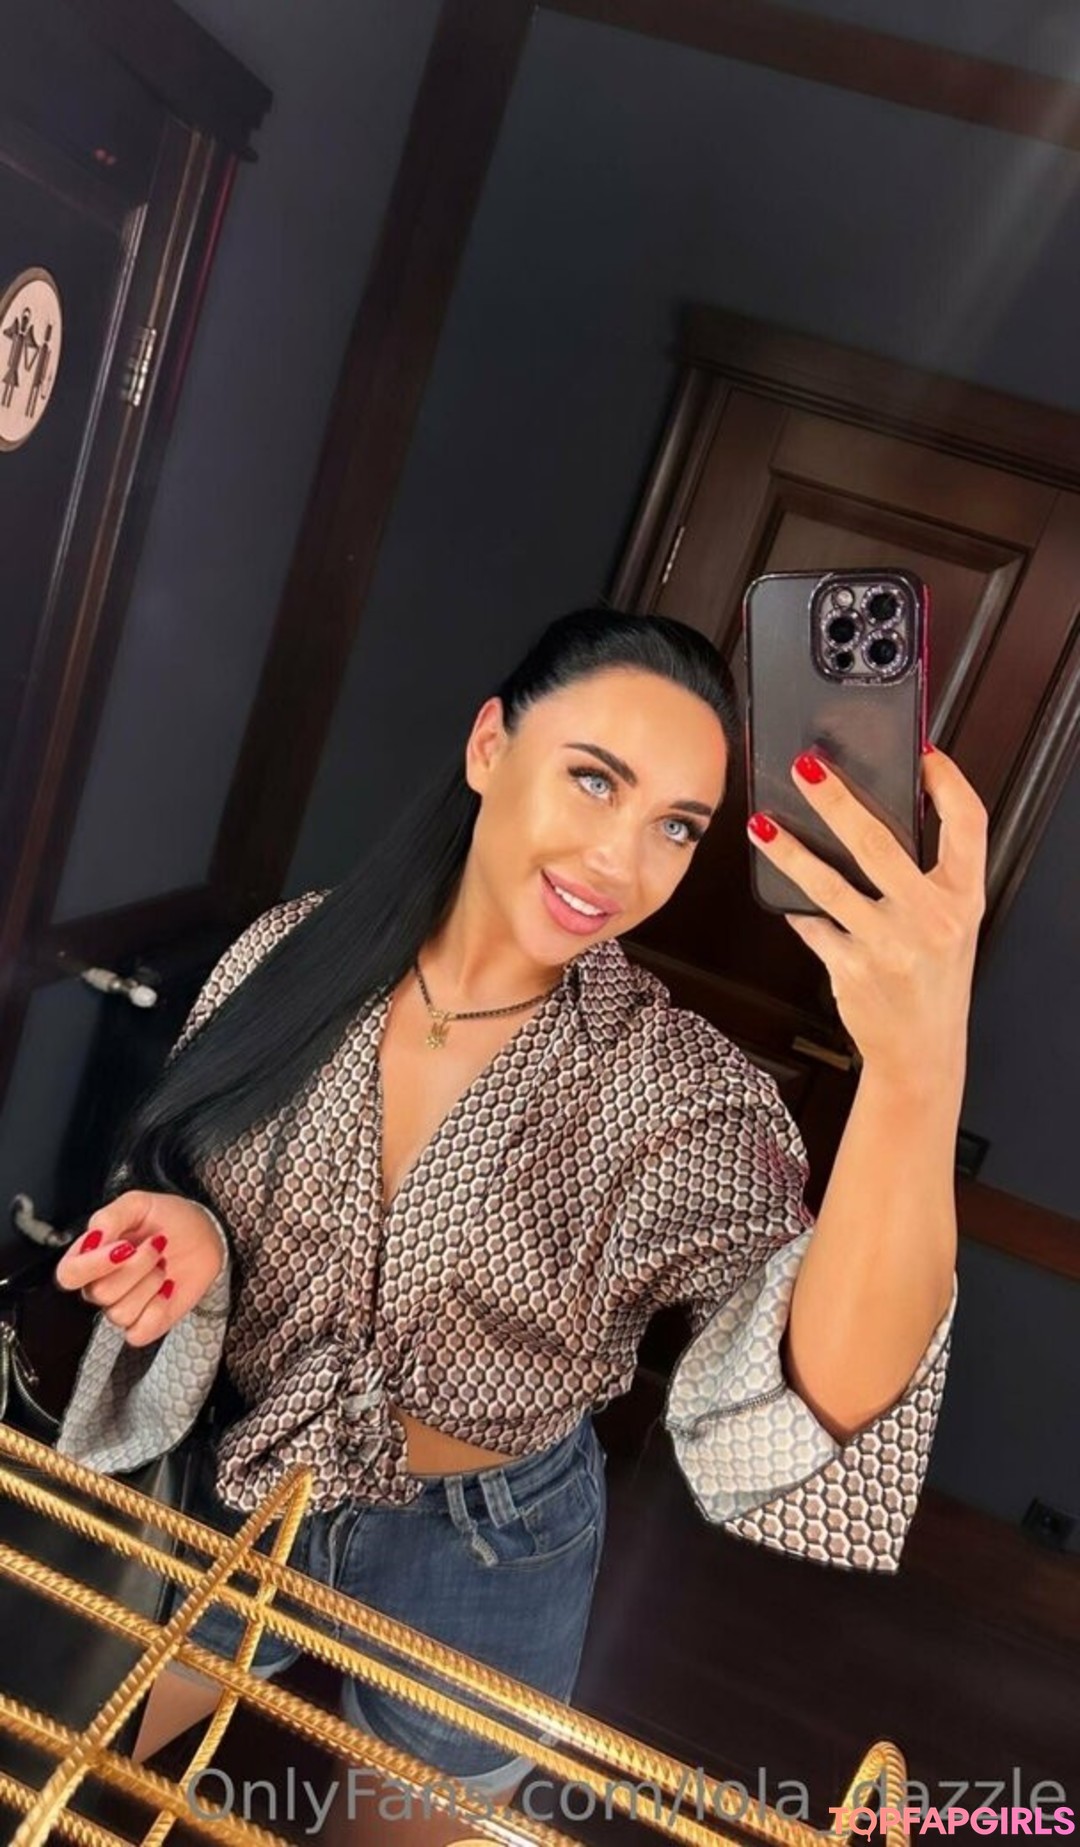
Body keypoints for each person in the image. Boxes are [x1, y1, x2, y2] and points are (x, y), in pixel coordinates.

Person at [54, 608, 985, 1845]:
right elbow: (177, 1156)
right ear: (490, 744)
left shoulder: (673, 1093)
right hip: (239, 1465)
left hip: (486, 1546)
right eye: (595, 778)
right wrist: (197, 1236)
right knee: (58, 1762)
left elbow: (821, 1395)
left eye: (677, 826)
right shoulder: (292, 951)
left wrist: (917, 1069)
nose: (619, 859)